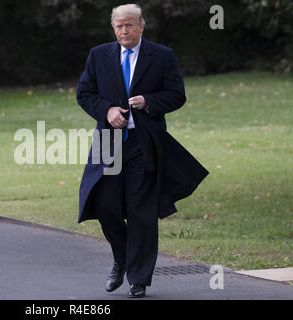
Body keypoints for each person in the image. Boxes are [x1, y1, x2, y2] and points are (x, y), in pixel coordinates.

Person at [76, 4, 208, 297]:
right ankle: (121, 259)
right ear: (113, 28)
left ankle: (138, 278)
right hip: (109, 142)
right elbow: (84, 94)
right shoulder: (99, 55)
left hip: (144, 144)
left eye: (130, 25)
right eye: (119, 26)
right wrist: (107, 110)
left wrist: (149, 101)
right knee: (105, 205)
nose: (125, 31)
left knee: (141, 211)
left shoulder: (162, 56)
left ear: (141, 26)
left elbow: (177, 95)